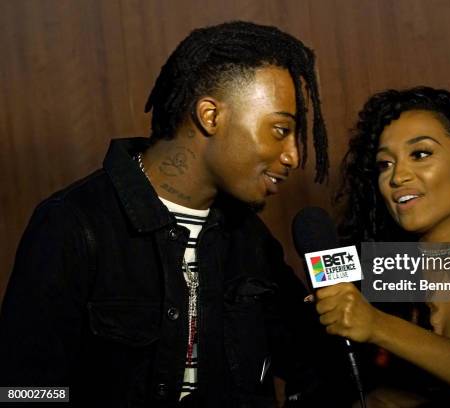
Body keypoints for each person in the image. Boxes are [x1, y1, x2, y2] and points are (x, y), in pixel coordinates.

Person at [0, 21, 335, 407]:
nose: (293, 155)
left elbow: (313, 369)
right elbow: (22, 390)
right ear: (210, 116)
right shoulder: (74, 225)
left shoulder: (250, 239)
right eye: (280, 130)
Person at [314, 87, 450, 406]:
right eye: (384, 164)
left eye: (420, 154)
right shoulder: (377, 276)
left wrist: (377, 325)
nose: (397, 176)